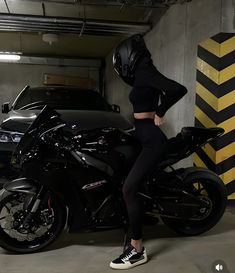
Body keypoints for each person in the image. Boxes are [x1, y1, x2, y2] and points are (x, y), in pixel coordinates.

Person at [110, 34, 187, 270]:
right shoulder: (141, 75)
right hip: (141, 133)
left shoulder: (146, 73)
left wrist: (161, 112)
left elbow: (178, 89)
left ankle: (137, 250)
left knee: (129, 189)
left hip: (152, 140)